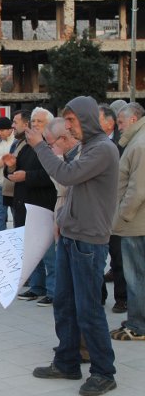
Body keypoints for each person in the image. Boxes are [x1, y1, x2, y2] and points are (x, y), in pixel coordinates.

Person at [29, 96, 118, 396]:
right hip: (71, 236)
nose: (67, 126)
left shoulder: (103, 149)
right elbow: (73, 188)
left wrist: (40, 145)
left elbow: (66, 175)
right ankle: (66, 361)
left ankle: (104, 371)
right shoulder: (87, 147)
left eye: (72, 121)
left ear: (87, 119)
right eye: (65, 121)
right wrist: (62, 219)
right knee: (64, 303)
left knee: (88, 308)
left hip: (88, 242)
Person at [5, 107, 57, 306]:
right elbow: (18, 172)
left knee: (48, 252)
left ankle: (52, 290)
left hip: (43, 206)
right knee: (32, 250)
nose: (35, 125)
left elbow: (52, 175)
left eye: (39, 122)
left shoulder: (50, 147)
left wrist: (26, 176)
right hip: (25, 205)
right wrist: (11, 166)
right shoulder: (28, 146)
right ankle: (37, 286)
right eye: (33, 121)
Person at [110, 102, 145, 341]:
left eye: (121, 123)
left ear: (133, 119)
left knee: (136, 276)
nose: (118, 128)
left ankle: (138, 325)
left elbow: (138, 188)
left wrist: (122, 214)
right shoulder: (136, 140)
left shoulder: (140, 144)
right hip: (134, 220)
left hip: (135, 222)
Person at [99, 104, 126, 314]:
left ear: (110, 123)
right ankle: (99, 295)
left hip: (116, 208)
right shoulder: (92, 144)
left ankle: (122, 298)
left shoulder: (120, 145)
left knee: (118, 256)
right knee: (98, 255)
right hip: (98, 209)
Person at [0, 117, 15, 233]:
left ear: (10, 130)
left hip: (13, 185)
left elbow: (18, 158)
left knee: (18, 216)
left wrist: (3, 162)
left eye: (2, 130)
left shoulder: (17, 142)